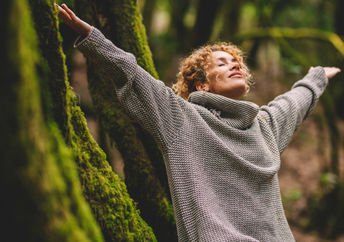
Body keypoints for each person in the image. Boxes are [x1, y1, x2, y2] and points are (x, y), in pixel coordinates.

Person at [56, 4, 341, 241]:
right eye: (222, 62)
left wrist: (316, 78)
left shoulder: (263, 127)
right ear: (202, 84)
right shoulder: (181, 120)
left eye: (237, 62)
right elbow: (134, 76)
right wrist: (93, 37)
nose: (235, 65)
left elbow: (292, 103)